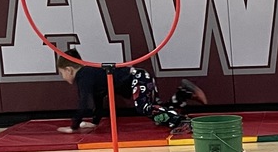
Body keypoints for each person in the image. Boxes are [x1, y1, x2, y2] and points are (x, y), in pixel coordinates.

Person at [55, 48, 207, 134]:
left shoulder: (84, 75)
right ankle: (183, 93)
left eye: (62, 73)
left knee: (144, 108)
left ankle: (183, 122)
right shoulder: (91, 75)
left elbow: (83, 102)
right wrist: (94, 123)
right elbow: (97, 101)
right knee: (158, 114)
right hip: (140, 76)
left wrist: (73, 126)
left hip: (137, 78)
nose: (63, 78)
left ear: (69, 69)